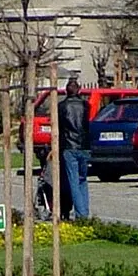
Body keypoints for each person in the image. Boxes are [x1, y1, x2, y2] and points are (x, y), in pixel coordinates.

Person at [55, 76, 92, 221]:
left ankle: (81, 214)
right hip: (84, 145)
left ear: (65, 91)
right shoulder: (85, 105)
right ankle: (84, 211)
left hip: (69, 146)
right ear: (79, 90)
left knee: (73, 181)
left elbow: (59, 127)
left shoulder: (62, 107)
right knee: (83, 179)